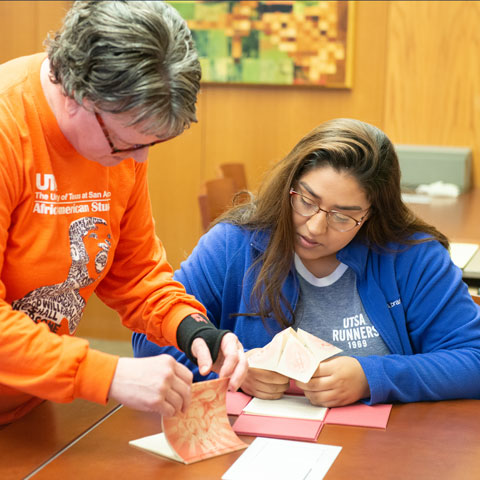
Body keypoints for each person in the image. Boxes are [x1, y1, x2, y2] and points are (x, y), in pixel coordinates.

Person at [0, 0, 247, 426]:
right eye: (125, 143)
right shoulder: (9, 129)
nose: (138, 158)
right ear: (75, 92)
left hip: (27, 400)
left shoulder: (121, 137)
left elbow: (133, 272)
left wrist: (189, 327)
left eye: (152, 143)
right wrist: (105, 374)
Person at [133, 117, 480, 407]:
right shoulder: (233, 244)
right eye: (307, 201)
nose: (315, 227)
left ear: (373, 214)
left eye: (344, 217)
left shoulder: (411, 257)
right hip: (257, 452)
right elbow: (148, 341)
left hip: (380, 452)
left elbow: (472, 358)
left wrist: (372, 377)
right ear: (289, 185)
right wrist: (231, 368)